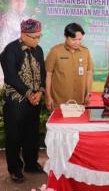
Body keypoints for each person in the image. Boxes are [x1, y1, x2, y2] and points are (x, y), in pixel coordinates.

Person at [0, 19, 45, 183]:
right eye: (34, 37)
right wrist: (28, 93)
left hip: (34, 100)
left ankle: (31, 164)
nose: (37, 40)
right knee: (14, 135)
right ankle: (15, 169)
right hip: (15, 102)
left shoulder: (38, 50)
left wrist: (39, 92)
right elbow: (11, 77)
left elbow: (43, 73)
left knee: (31, 134)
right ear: (23, 35)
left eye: (39, 36)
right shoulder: (10, 50)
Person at [45, 23, 94, 110]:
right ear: (66, 37)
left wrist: (88, 93)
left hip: (80, 102)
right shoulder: (55, 51)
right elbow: (48, 74)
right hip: (59, 102)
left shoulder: (85, 51)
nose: (77, 42)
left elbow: (89, 72)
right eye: (74, 39)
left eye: (80, 39)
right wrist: (48, 97)